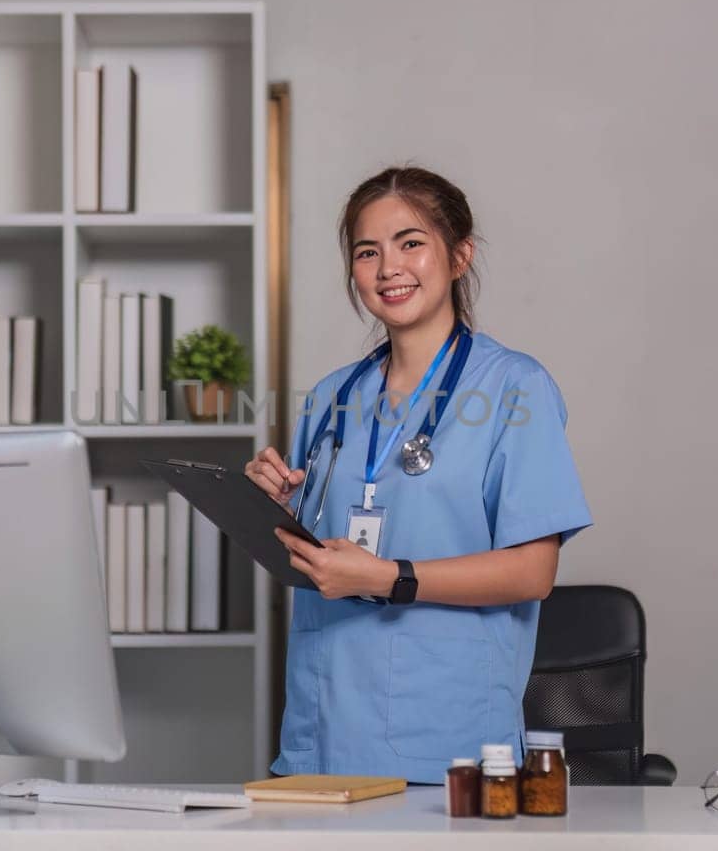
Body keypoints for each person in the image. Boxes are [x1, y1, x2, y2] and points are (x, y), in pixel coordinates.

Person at [245, 165, 592, 783]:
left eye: (411, 243)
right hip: (320, 739)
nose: (387, 269)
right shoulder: (331, 397)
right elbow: (310, 563)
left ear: (460, 256)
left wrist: (391, 578)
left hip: (448, 750)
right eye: (367, 252)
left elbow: (533, 572)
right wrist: (270, 507)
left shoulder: (515, 388)